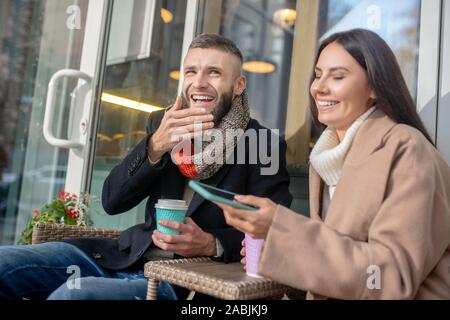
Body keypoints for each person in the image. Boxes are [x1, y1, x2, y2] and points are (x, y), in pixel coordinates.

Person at [0, 34, 292, 300]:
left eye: (214, 72)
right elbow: (112, 202)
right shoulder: (162, 124)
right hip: (126, 257)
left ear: (238, 85)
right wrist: (155, 146)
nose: (199, 82)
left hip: (184, 283)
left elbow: (275, 233)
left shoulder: (262, 144)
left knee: (75, 296)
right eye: (191, 71)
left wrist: (212, 243)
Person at [215, 29, 450, 300]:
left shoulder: (407, 149)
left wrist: (285, 232)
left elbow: (389, 277)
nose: (318, 87)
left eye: (337, 76)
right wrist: (279, 251)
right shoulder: (326, 158)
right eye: (317, 75)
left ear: (375, 86)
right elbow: (339, 271)